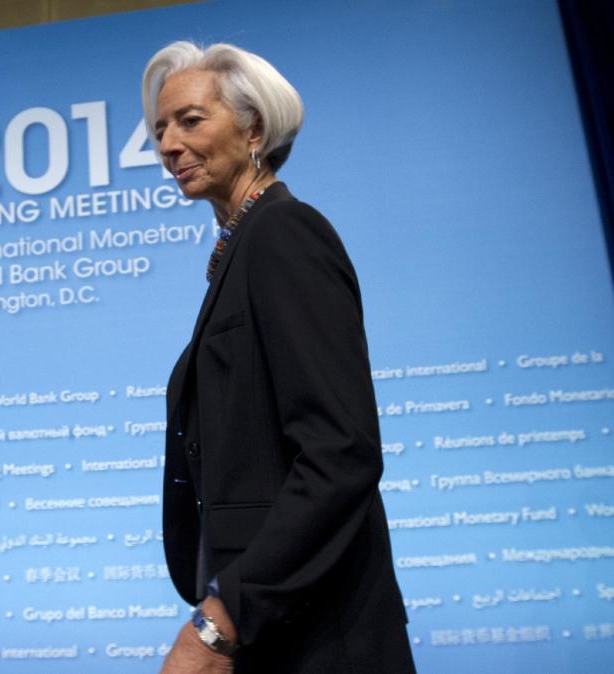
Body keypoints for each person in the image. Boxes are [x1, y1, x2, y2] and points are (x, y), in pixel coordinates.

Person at [143, 41, 416, 673]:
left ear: (254, 129)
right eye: (160, 129)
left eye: (190, 120)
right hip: (275, 627)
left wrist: (221, 619)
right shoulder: (242, 248)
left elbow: (338, 451)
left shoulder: (285, 234)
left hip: (318, 635)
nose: (168, 145)